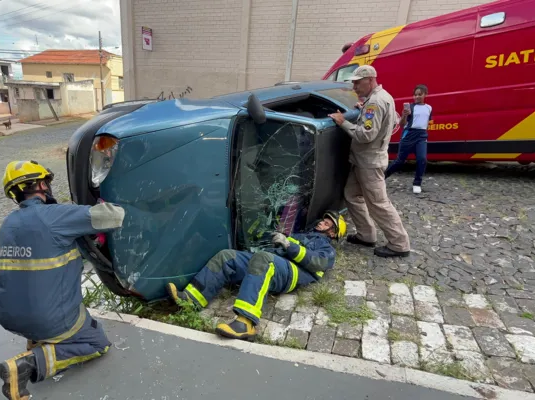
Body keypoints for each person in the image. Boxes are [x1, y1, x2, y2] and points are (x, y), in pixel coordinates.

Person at [0, 160, 126, 400]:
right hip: (48, 319)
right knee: (97, 343)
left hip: (7, 315)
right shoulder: (55, 216)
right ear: (42, 184)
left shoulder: (8, 224)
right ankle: (28, 364)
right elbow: (114, 216)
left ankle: (38, 341)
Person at [166, 211, 346, 341]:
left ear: (332, 233)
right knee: (227, 256)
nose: (322, 222)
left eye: (328, 223)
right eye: (324, 219)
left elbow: (317, 263)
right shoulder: (301, 234)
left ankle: (246, 323)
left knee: (264, 260)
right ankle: (191, 300)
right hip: (272, 260)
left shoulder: (327, 249)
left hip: (292, 273)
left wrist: (288, 245)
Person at [328, 65, 411, 258]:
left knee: (379, 203)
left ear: (370, 79)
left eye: (358, 82)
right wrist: (363, 109)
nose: (355, 87)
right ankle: (366, 235)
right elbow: (394, 122)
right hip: (364, 160)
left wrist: (343, 122)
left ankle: (399, 244)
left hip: (369, 162)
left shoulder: (375, 102)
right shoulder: (382, 98)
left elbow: (366, 135)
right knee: (352, 195)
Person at [385, 84, 432, 194]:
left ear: (425, 94)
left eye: (419, 95)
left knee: (422, 159)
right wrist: (404, 115)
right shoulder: (410, 107)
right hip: (409, 135)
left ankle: (417, 183)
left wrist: (424, 132)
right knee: (400, 161)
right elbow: (402, 124)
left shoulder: (429, 108)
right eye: (415, 95)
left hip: (421, 136)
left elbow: (427, 122)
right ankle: (382, 177)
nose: (416, 97)